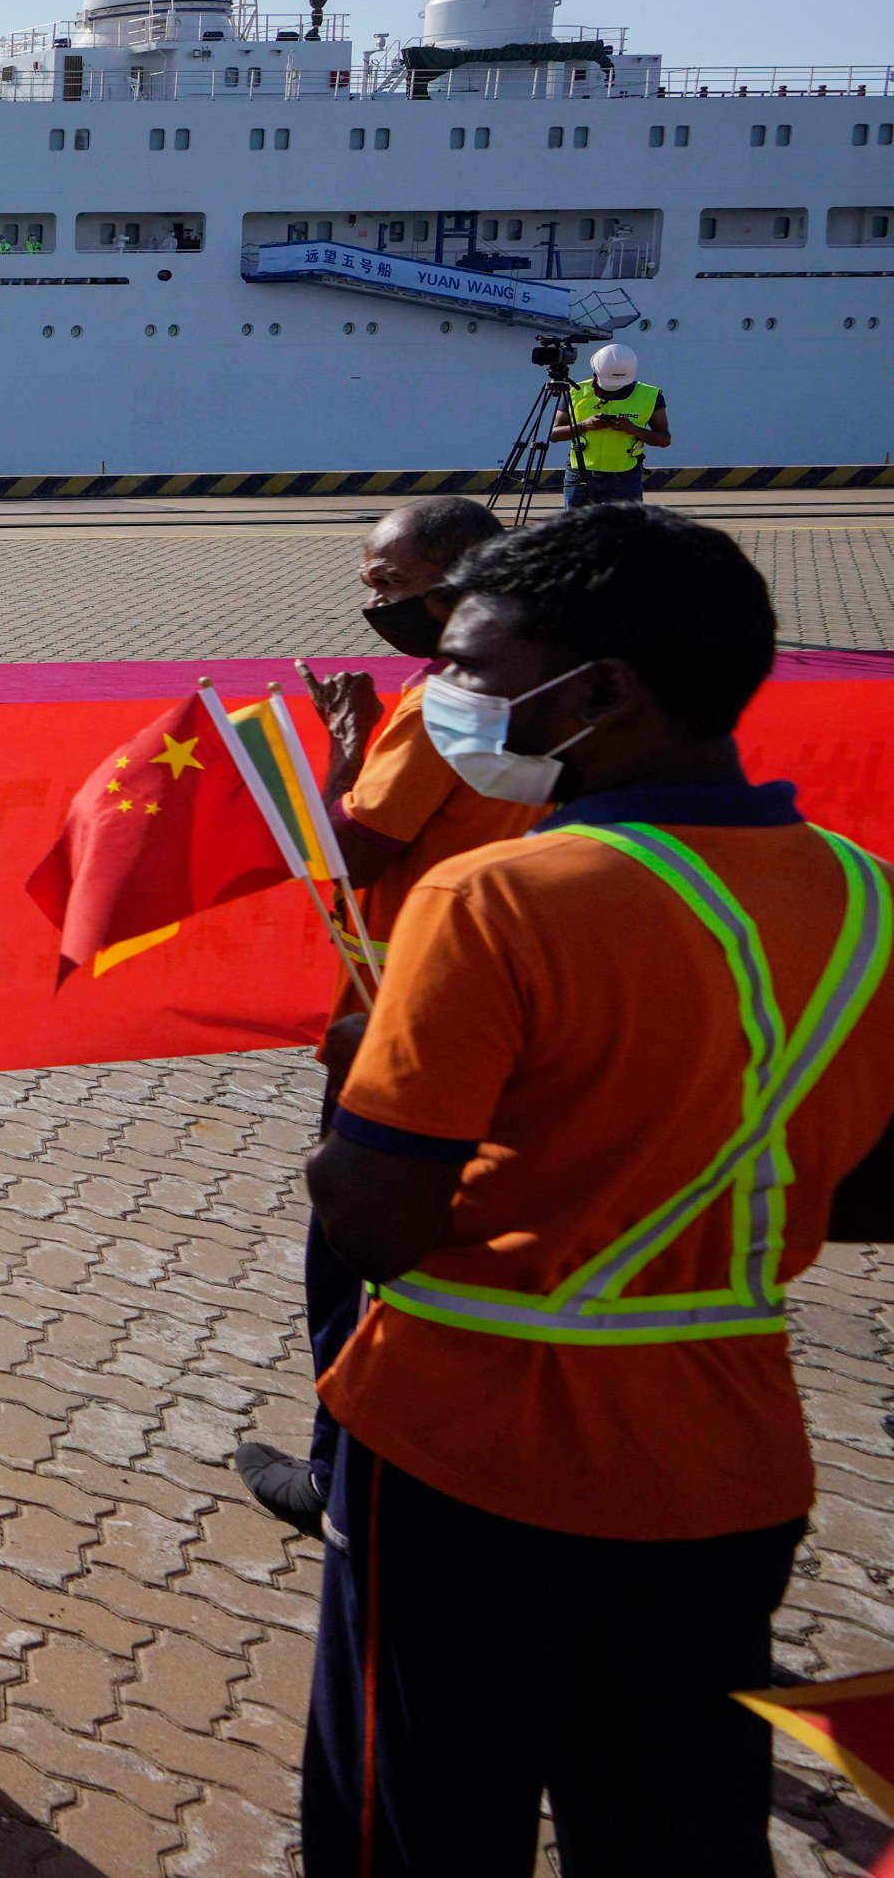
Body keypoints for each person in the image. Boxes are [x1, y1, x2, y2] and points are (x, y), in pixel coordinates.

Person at [297, 505, 894, 1876]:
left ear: (602, 691)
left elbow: (375, 1221)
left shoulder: (498, 899)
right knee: (671, 1824)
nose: (445, 699)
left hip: (472, 1447)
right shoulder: (864, 897)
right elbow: (863, 1182)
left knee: (416, 1819)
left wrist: (363, 1075)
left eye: (473, 668)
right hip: (726, 1458)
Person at [236, 494, 526, 1537]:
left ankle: (339, 1478)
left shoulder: (440, 701)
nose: (373, 601)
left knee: (350, 1251)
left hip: (397, 1020)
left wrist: (346, 752)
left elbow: (354, 850)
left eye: (389, 582)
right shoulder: (539, 689)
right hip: (507, 1017)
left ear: (459, 574)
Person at [561, 341, 666, 508]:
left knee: (625, 531)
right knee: (576, 532)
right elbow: (554, 434)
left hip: (625, 478)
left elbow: (664, 439)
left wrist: (633, 430)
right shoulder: (575, 391)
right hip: (580, 475)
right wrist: (585, 426)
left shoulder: (650, 395)